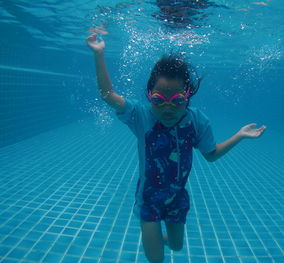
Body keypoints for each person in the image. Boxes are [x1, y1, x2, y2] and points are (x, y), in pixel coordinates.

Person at [86, 32, 266, 263]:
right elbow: (107, 95)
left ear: (187, 97)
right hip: (149, 199)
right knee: (157, 260)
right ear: (150, 96)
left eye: (177, 101)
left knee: (177, 247)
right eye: (159, 100)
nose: (167, 108)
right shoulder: (141, 116)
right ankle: (151, 236)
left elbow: (210, 156)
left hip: (177, 199)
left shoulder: (197, 121)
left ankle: (157, 238)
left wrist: (239, 136)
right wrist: (99, 54)